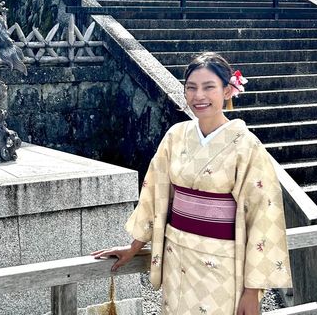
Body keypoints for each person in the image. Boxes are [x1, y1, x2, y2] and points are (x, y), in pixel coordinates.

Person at [93, 52, 291, 315]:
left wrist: (252, 291)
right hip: (177, 256)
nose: (199, 96)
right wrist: (134, 247)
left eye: (209, 87)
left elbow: (264, 217)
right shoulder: (176, 136)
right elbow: (154, 193)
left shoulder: (246, 145)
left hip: (222, 262)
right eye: (191, 88)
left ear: (228, 91)